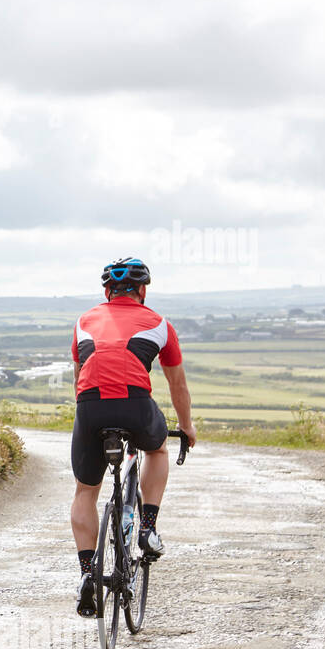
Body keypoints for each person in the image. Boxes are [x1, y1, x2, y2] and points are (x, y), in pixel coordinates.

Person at [70, 258, 196, 617]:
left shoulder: (83, 322)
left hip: (90, 408)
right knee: (157, 450)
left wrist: (87, 421)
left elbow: (80, 376)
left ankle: (86, 574)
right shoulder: (159, 323)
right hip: (135, 406)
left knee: (84, 492)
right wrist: (186, 426)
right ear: (142, 291)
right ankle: (148, 529)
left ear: (106, 291)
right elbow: (177, 384)